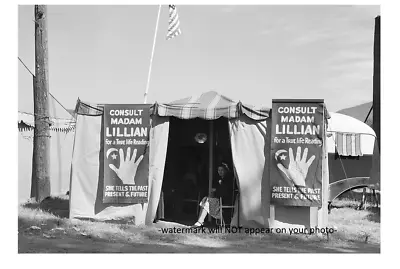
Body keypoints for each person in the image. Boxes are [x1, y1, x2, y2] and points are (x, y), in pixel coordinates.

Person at [191, 162, 233, 227]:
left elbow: (224, 192)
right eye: (219, 170)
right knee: (205, 199)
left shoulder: (227, 180)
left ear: (225, 170)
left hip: (224, 201)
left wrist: (216, 192)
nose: (220, 172)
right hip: (219, 199)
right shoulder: (220, 179)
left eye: (222, 170)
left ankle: (200, 222)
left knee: (207, 201)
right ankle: (200, 221)